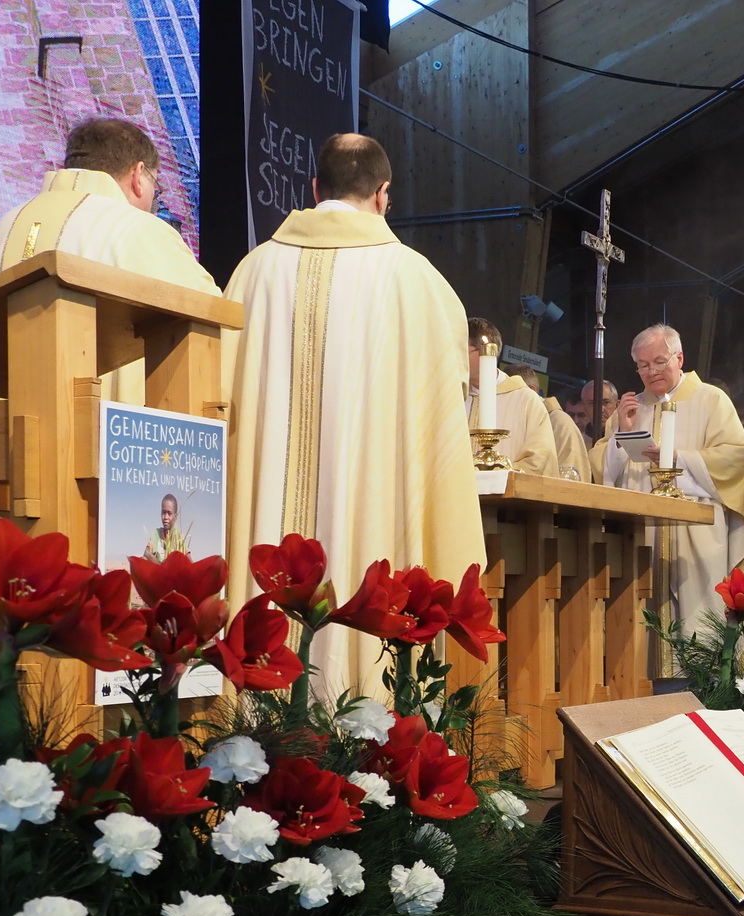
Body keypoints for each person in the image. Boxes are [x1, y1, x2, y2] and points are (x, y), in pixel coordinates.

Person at [221, 132, 483, 696]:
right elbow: (443, 422)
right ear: (384, 194)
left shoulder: (252, 272)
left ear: (315, 188)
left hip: (266, 520)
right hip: (372, 510)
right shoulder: (421, 283)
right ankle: (362, 743)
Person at [0, 118, 218, 405]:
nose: (153, 200)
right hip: (96, 439)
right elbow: (212, 317)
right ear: (138, 175)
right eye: (156, 188)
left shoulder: (6, 227)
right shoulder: (137, 228)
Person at [594, 324, 744, 656]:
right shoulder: (629, 410)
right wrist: (621, 434)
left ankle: (704, 699)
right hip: (641, 536)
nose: (650, 371)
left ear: (679, 357)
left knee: (699, 630)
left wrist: (679, 459)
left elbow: (736, 460)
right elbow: (602, 471)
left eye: (658, 361)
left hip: (696, 536)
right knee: (641, 636)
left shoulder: (711, 400)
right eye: (642, 365)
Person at [465, 317, 557, 477]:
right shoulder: (454, 397)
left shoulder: (526, 400)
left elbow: (538, 460)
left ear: (483, 351)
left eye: (460, 351)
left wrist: (491, 478)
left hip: (504, 499)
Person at [534, 373, 592, 482]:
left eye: (581, 415)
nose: (575, 421)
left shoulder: (598, 444)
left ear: (589, 413)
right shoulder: (554, 429)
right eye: (570, 415)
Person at [143, 493, 191, 562]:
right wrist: (161, 567)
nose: (165, 517)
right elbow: (147, 553)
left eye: (169, 513)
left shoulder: (179, 539)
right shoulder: (157, 534)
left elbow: (190, 562)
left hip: (174, 572)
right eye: (163, 512)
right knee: (143, 559)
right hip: (158, 571)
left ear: (175, 516)